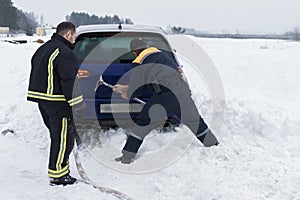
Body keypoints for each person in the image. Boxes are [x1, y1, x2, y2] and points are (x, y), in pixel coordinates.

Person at [113, 38, 219, 164]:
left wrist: (128, 94)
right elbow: (152, 80)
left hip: (165, 96)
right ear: (146, 46)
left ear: (134, 52)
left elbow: (138, 86)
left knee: (142, 123)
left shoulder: (139, 61)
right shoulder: (161, 55)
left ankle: (127, 156)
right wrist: (125, 88)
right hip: (183, 92)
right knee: (195, 121)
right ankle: (214, 146)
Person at [27, 21, 85, 185]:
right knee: (63, 139)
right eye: (74, 36)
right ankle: (58, 175)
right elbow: (68, 81)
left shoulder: (45, 48)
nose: (74, 40)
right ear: (68, 34)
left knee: (57, 136)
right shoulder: (64, 52)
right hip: (58, 103)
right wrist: (78, 104)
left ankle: (60, 171)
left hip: (44, 101)